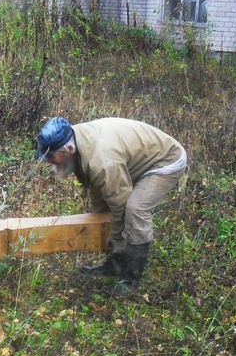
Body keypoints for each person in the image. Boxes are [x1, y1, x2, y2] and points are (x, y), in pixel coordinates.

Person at [34, 116, 188, 291]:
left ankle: (130, 277)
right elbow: (100, 194)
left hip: (166, 162)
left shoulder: (103, 162)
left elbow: (119, 205)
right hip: (133, 159)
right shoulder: (74, 140)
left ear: (68, 149)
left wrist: (116, 242)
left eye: (51, 157)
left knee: (134, 210)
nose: (49, 162)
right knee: (102, 209)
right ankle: (113, 266)